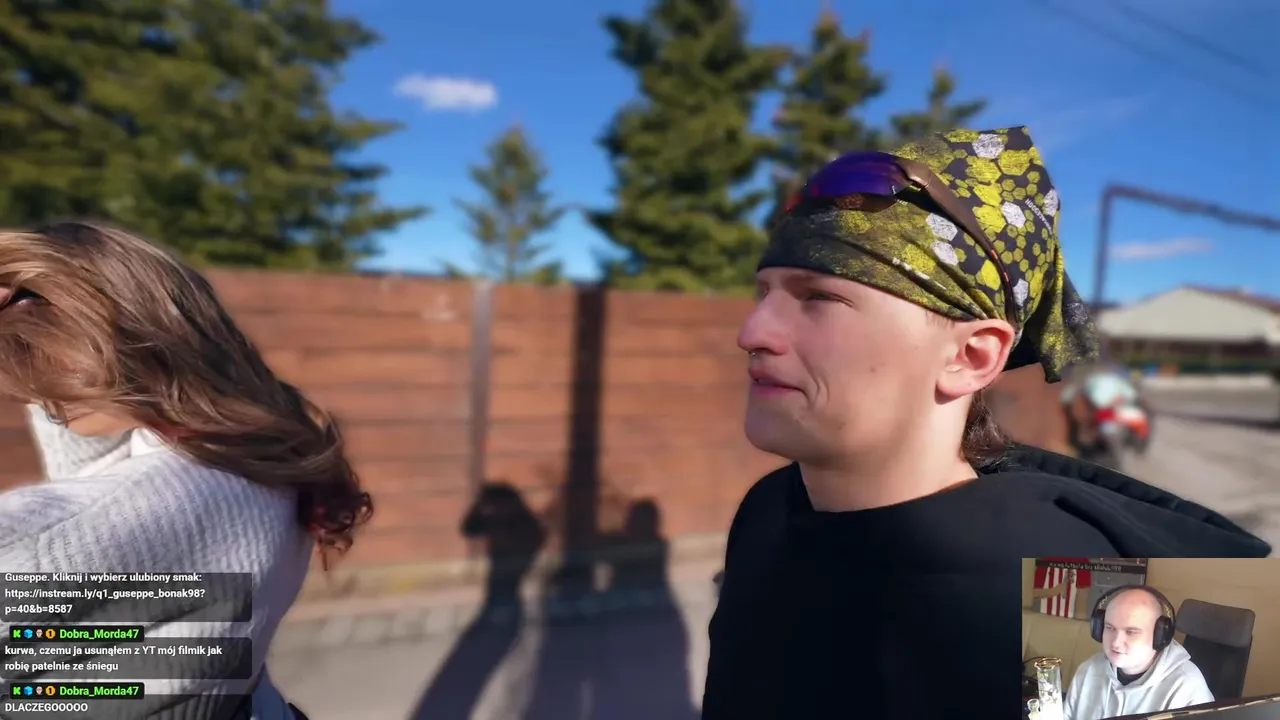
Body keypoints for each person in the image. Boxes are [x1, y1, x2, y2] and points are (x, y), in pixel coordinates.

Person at [701, 127, 1270, 720]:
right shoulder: (767, 512)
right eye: (764, 293)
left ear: (970, 357)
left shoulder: (1027, 608)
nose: (752, 332)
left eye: (819, 297)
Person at [0, 222, 370, 719]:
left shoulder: (169, 499)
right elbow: (88, 481)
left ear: (138, 334)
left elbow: (66, 527)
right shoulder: (255, 449)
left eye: (35, 362)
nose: (34, 396)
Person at [1065, 586, 1213, 719]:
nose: (1116, 642)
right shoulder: (1088, 671)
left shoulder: (1186, 687)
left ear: (1159, 635)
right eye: (1109, 628)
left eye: (1131, 632)